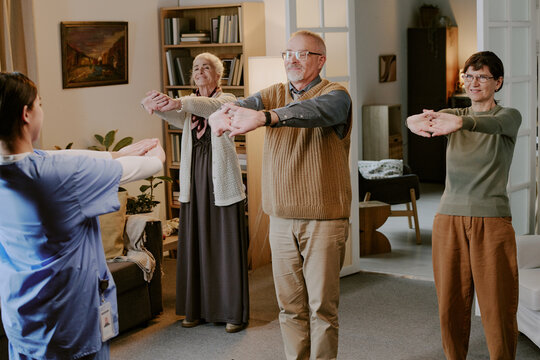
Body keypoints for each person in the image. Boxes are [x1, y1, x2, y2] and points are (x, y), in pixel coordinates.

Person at [0, 71, 165, 359]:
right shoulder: (62, 177)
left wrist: (117, 153)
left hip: (23, 317)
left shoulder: (20, 169)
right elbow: (150, 165)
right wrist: (155, 152)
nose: (42, 110)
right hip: (69, 319)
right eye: (40, 104)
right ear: (26, 114)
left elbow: (55, 157)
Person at [209, 30, 352, 359]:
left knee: (322, 309)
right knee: (289, 308)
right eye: (287, 53)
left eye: (301, 54)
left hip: (324, 219)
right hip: (281, 218)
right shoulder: (271, 93)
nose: (292, 60)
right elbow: (237, 106)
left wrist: (266, 117)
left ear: (320, 60)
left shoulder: (336, 95)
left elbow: (314, 112)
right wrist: (221, 113)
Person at [407, 51, 522, 359]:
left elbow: (489, 126)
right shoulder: (452, 115)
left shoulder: (507, 116)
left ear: (497, 82)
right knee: (451, 305)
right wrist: (417, 121)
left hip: (492, 220)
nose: (474, 83)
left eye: (482, 77)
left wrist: (459, 123)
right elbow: (414, 120)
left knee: (497, 306)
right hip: (448, 218)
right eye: (468, 76)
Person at [140, 52, 249, 333]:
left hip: (222, 184)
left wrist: (178, 101)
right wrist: (152, 104)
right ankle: (195, 309)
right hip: (194, 182)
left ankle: (231, 313)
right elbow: (175, 114)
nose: (200, 71)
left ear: (218, 75)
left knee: (222, 246)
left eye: (206, 67)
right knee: (196, 243)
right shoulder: (188, 108)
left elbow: (208, 107)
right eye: (196, 68)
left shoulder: (227, 101)